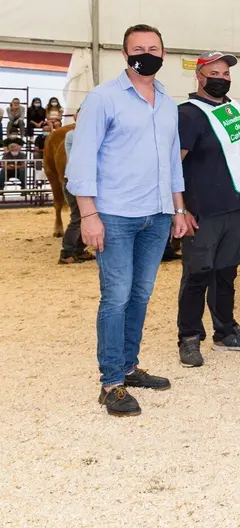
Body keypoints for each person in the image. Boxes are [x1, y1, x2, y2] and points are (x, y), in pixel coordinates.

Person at [66, 24, 190, 417]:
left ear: (164, 53)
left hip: (156, 215)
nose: (146, 54)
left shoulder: (168, 102)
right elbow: (82, 159)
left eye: (153, 47)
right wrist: (89, 215)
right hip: (115, 215)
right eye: (138, 48)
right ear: (124, 54)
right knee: (116, 297)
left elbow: (172, 161)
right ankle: (111, 383)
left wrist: (179, 209)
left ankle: (129, 366)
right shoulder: (103, 98)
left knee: (140, 295)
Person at [175, 52, 240, 368]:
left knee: (226, 273)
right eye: (215, 73)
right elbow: (175, 165)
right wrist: (180, 209)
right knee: (197, 275)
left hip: (234, 205)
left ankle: (226, 332)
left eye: (226, 74)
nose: (222, 79)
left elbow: (230, 149)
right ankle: (189, 338)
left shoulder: (232, 109)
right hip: (202, 210)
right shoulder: (187, 115)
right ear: (199, 76)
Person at [58, 110, 95, 264]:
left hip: (83, 180)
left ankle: (78, 249)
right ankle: (67, 252)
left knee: (86, 216)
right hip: (74, 180)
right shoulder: (73, 135)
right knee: (77, 217)